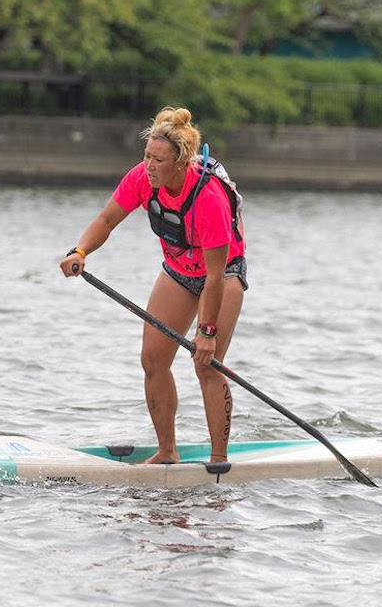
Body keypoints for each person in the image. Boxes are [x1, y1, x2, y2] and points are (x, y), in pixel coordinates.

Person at [59, 106, 247, 464]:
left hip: (221, 275)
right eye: (146, 156)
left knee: (208, 365)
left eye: (158, 160)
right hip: (178, 270)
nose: (149, 166)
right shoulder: (142, 179)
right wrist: (80, 250)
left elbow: (213, 276)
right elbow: (107, 218)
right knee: (152, 360)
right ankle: (167, 452)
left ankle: (219, 461)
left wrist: (206, 332)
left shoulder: (208, 199)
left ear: (181, 163)